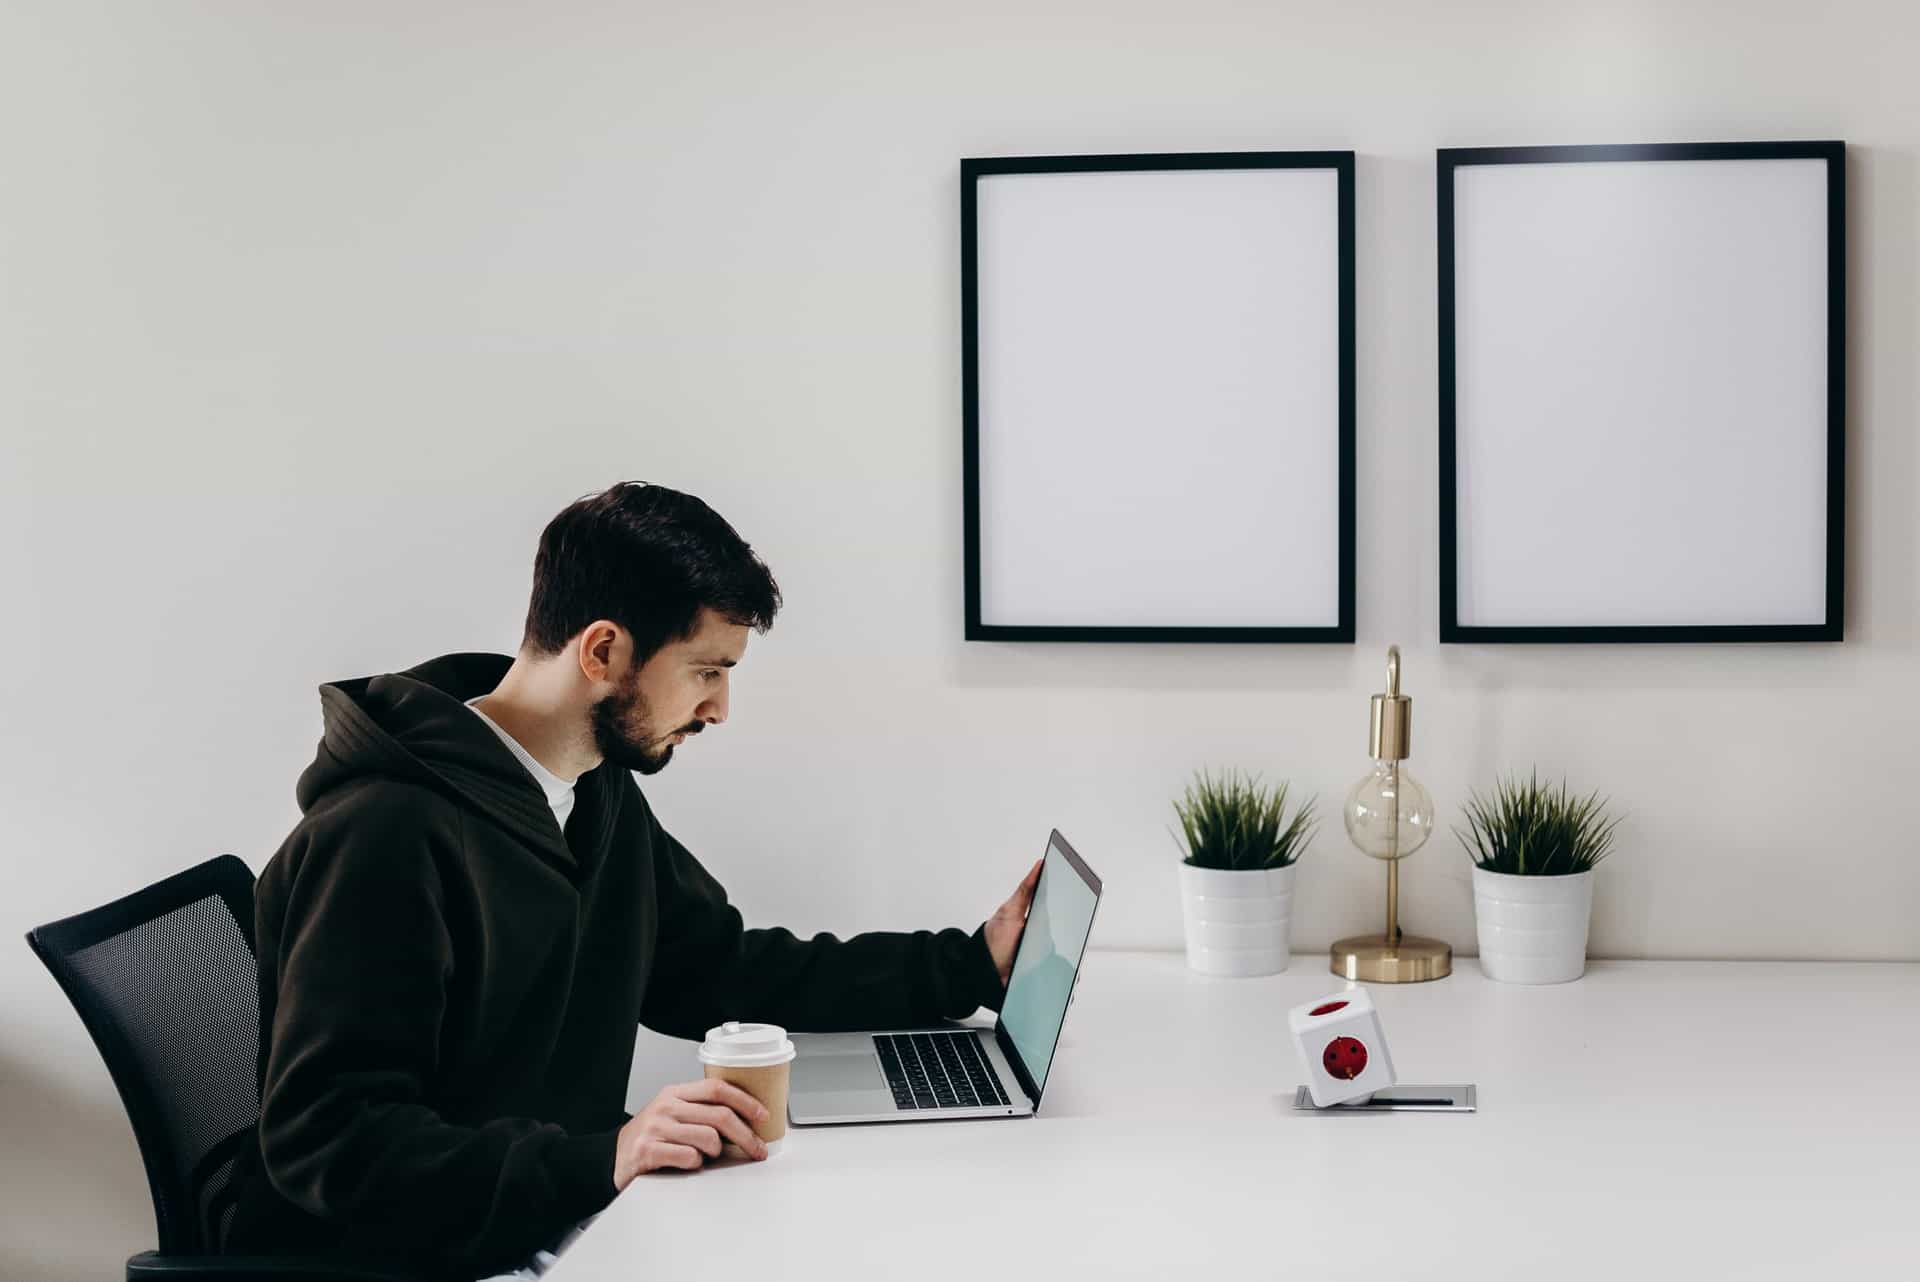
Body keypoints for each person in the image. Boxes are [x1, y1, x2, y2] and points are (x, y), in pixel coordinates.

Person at [220, 482, 1041, 1281]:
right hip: (423, 1253)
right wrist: (602, 1158)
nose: (719, 708)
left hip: (551, 1214)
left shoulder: (592, 790)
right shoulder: (383, 835)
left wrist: (969, 965)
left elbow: (714, 968)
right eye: (706, 670)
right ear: (604, 651)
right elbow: (331, 1140)